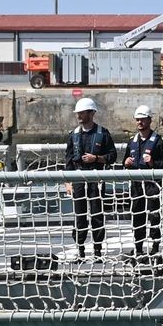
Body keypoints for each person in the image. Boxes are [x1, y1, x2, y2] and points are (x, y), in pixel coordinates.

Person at [65, 97, 117, 260]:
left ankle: (97, 251)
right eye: (78, 113)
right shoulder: (73, 135)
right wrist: (68, 182)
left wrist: (97, 158)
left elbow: (112, 156)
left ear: (91, 113)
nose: (79, 116)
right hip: (78, 178)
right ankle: (80, 250)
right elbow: (68, 160)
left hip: (97, 178)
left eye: (82, 113)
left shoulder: (103, 133)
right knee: (79, 216)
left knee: (97, 215)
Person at [121, 104, 163, 255]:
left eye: (143, 119)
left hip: (152, 185)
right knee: (138, 217)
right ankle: (138, 248)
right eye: (137, 120)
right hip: (136, 186)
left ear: (149, 120)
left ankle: (155, 247)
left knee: (155, 216)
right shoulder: (132, 141)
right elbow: (125, 160)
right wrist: (126, 163)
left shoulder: (159, 141)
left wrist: (153, 163)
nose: (139, 122)